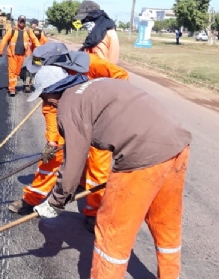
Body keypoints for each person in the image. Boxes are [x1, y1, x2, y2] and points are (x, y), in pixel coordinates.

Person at [27, 65, 191, 279]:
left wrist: (55, 203)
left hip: (141, 159)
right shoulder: (96, 84)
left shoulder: (67, 105)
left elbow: (72, 166)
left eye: (45, 98)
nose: (46, 103)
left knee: (112, 231)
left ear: (50, 94)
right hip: (176, 146)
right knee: (165, 221)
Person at [9, 43, 129, 233]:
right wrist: (52, 140)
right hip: (70, 118)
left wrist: (106, 107)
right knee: (52, 159)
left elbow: (122, 78)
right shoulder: (52, 80)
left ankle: (94, 212)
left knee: (98, 167)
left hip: (98, 120)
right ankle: (31, 200)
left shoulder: (92, 63)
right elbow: (50, 109)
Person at [0, 15, 40, 96]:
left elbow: (34, 39)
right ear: (18, 21)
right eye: (21, 21)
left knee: (17, 72)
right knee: (12, 71)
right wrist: (0, 50)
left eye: (23, 21)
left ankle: (13, 85)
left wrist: (39, 49)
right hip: (12, 55)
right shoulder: (12, 30)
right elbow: (4, 39)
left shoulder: (28, 30)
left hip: (21, 55)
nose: (22, 22)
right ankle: (12, 89)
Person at [75, 0, 120, 64]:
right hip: (108, 69)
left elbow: (99, 62)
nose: (83, 22)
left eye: (84, 19)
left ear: (92, 17)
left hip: (99, 71)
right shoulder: (107, 27)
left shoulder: (98, 35)